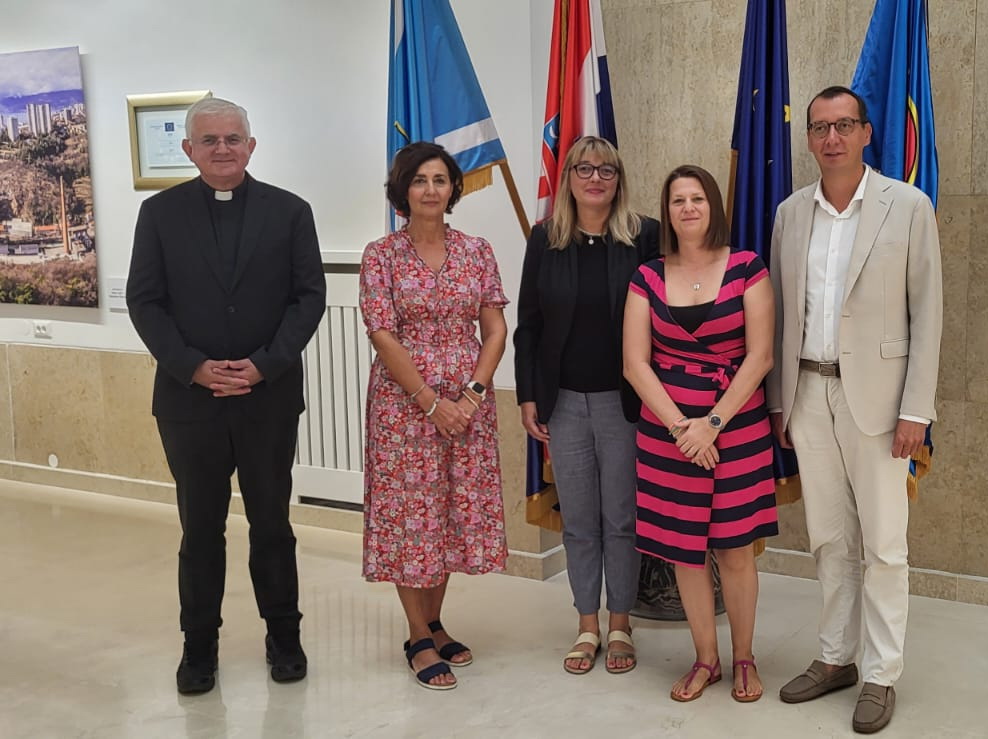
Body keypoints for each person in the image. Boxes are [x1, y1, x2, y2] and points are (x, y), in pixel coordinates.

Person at [126, 97, 326, 695]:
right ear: (188, 149)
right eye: (209, 140)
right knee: (200, 530)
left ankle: (284, 637)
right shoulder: (159, 214)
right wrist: (193, 367)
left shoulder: (290, 211)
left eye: (233, 138)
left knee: (272, 526)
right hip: (190, 404)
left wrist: (265, 365)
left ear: (251, 145)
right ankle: (199, 649)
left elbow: (309, 297)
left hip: (268, 399)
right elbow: (144, 301)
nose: (222, 148)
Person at [768, 86, 942, 734]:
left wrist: (916, 409)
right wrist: (780, 400)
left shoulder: (907, 206)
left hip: (880, 400)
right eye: (820, 128)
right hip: (808, 395)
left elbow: (927, 313)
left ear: (866, 133)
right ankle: (836, 657)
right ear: (809, 139)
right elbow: (782, 312)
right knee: (829, 538)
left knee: (885, 544)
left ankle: (880, 673)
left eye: (844, 125)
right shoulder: (790, 214)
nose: (832, 138)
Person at [623, 165, 778, 703]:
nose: (688, 208)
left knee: (735, 550)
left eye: (697, 198)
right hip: (667, 433)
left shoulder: (747, 267)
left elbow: (760, 356)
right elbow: (635, 363)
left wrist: (711, 424)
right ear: (667, 213)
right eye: (677, 201)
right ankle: (706, 659)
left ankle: (744, 658)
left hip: (737, 428)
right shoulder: (646, 276)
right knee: (684, 551)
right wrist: (680, 428)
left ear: (713, 206)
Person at [360, 141, 509, 691]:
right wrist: (429, 401)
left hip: (468, 408)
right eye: (419, 180)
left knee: (448, 512)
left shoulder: (476, 251)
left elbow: (495, 329)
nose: (430, 189)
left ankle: (437, 620)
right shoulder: (381, 255)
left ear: (453, 189)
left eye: (440, 180)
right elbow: (382, 333)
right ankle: (417, 634)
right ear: (403, 190)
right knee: (411, 516)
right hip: (404, 409)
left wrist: (471, 396)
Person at [514, 136, 659, 675]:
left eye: (606, 170)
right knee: (577, 521)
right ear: (569, 178)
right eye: (584, 168)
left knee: (621, 518)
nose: (595, 178)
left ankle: (620, 623)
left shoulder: (643, 236)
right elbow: (528, 326)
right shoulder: (545, 239)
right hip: (565, 404)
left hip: (627, 404)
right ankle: (586, 625)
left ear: (619, 180)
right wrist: (528, 395)